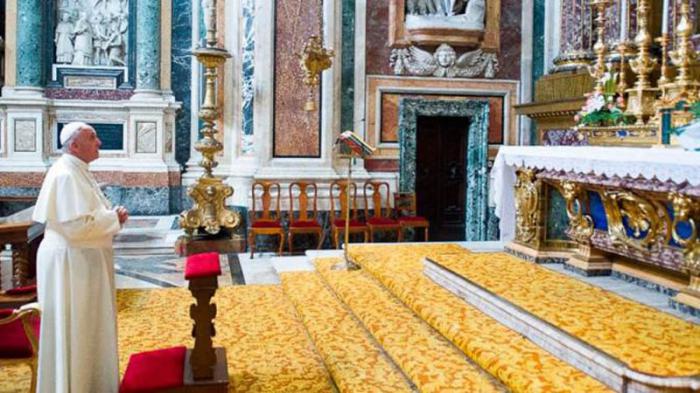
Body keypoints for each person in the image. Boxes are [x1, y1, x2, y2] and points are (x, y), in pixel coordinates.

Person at [32, 122, 128, 393]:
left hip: (81, 259)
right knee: (75, 328)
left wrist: (112, 217)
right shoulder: (64, 175)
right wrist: (113, 218)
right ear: (74, 146)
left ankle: (91, 384)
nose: (99, 142)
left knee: (88, 326)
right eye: (92, 137)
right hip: (70, 263)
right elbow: (74, 227)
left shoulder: (78, 171)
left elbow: (88, 214)